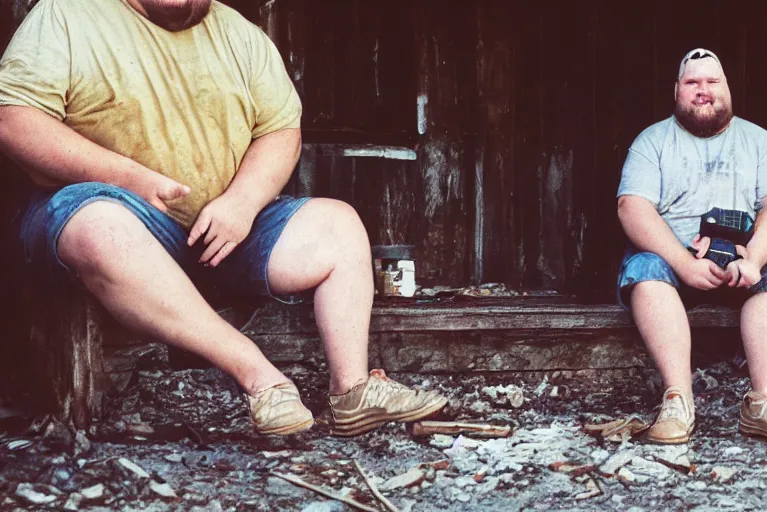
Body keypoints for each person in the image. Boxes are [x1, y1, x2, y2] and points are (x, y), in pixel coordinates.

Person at [0, 0, 447, 437]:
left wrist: (242, 203)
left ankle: (351, 391)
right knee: (98, 226)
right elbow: (14, 119)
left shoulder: (240, 34)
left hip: (224, 230)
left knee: (339, 224)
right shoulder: (66, 14)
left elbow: (279, 129)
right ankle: (261, 378)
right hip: (113, 215)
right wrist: (128, 178)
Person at [615, 48, 767, 450]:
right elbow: (632, 207)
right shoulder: (652, 141)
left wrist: (755, 256)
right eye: (693, 82)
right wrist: (682, 262)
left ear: (727, 88)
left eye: (712, 82)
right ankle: (678, 400)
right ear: (677, 90)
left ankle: (764, 403)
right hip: (671, 260)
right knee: (644, 270)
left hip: (741, 260)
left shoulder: (759, 141)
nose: (703, 91)